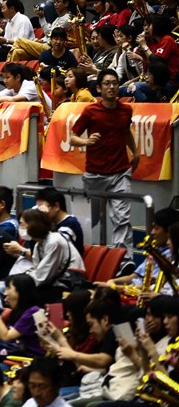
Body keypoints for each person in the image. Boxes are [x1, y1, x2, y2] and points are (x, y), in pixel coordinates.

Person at [69, 69, 139, 269]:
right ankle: (83, 260)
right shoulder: (91, 111)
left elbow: (126, 132)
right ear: (99, 88)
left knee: (122, 219)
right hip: (94, 175)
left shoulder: (126, 110)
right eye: (107, 83)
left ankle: (123, 262)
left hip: (120, 172)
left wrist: (135, 152)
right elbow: (73, 137)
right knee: (90, 222)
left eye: (115, 83)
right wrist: (86, 141)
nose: (111, 87)